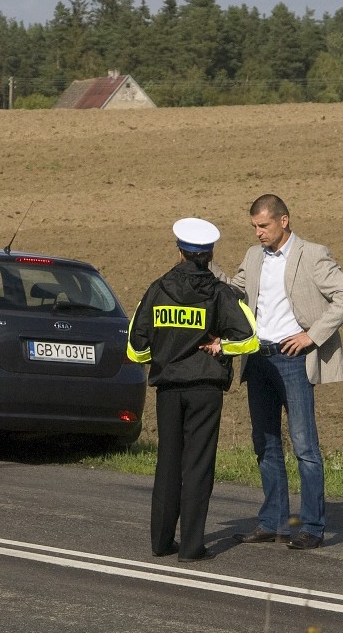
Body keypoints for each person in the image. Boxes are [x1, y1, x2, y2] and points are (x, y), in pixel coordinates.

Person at [219, 194, 343, 550]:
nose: (258, 233)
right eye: (253, 226)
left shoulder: (312, 254)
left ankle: (311, 527)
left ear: (284, 220)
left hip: (293, 359)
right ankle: (273, 523)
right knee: (264, 444)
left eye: (263, 225)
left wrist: (312, 336)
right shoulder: (253, 256)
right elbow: (235, 290)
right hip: (258, 359)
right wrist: (202, 265)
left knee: (304, 447)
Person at [127, 218, 259, 562]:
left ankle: (160, 542)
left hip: (168, 389)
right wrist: (220, 347)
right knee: (198, 466)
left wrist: (162, 351)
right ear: (210, 254)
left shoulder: (157, 289)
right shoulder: (220, 293)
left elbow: (135, 348)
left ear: (179, 251)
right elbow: (249, 339)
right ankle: (191, 547)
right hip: (205, 389)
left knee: (168, 462)